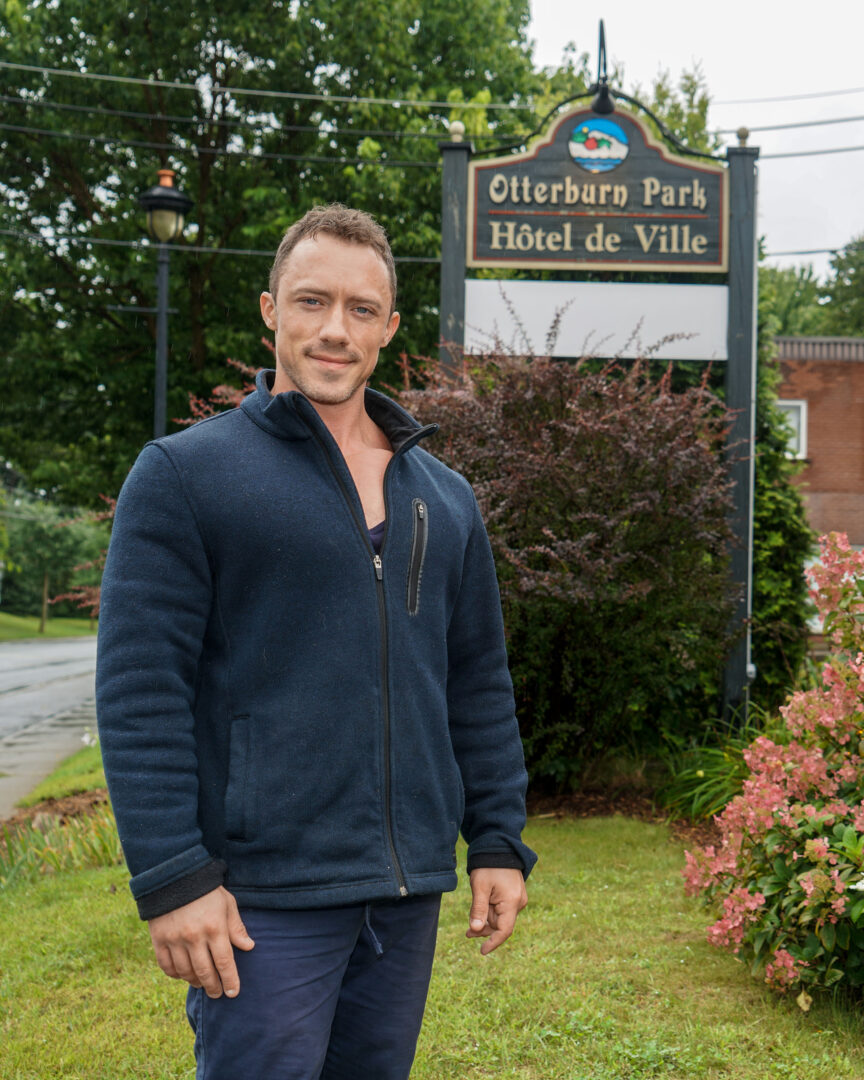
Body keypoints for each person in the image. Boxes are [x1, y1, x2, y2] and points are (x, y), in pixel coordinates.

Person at [96, 203, 537, 1080]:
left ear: (390, 329)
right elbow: (142, 690)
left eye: (361, 310)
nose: (335, 330)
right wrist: (175, 880)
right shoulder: (186, 476)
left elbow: (476, 679)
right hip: (262, 899)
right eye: (311, 302)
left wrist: (495, 839)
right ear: (271, 311)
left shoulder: (444, 498)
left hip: (404, 892)